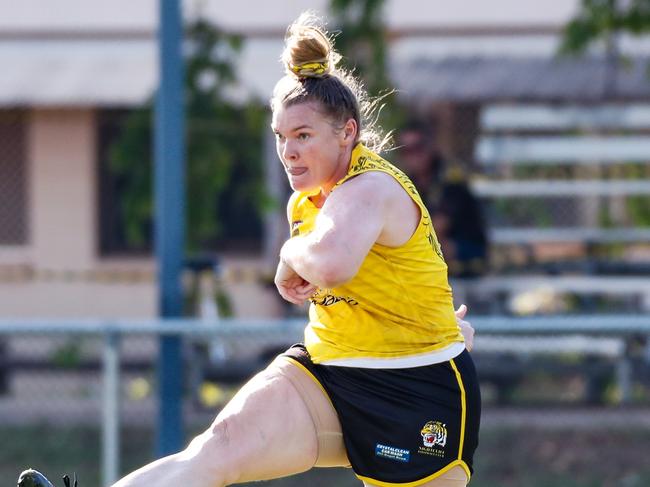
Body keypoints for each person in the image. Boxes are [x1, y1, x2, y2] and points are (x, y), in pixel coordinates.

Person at [19, 13, 479, 487]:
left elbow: (333, 264)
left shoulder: (371, 187)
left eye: (303, 135)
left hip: (417, 392)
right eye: (281, 137)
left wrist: (288, 256)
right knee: (220, 446)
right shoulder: (304, 203)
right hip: (332, 374)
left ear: (347, 133)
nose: (289, 152)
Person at [398, 121, 488, 277]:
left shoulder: (451, 177)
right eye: (406, 150)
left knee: (433, 246)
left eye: (418, 148)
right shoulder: (408, 181)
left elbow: (437, 227)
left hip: (467, 248)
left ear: (430, 147)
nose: (413, 156)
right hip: (434, 247)